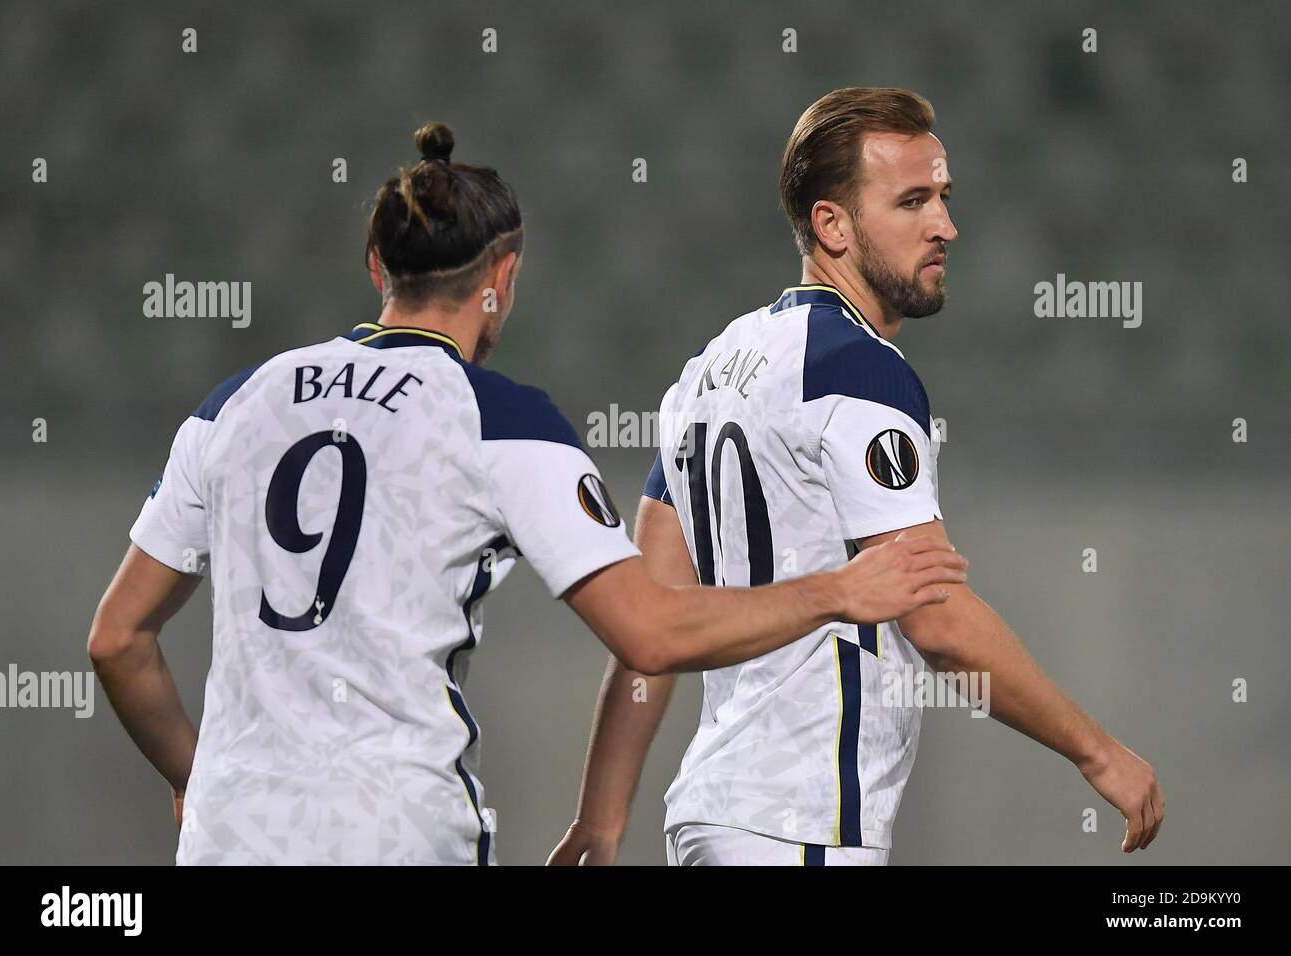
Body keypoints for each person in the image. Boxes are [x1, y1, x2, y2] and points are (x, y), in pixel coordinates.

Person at [86, 121, 968, 865]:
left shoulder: (235, 403)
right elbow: (652, 632)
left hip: (228, 839)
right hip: (400, 831)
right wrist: (837, 592)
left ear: (376, 268)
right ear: (501, 279)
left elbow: (119, 641)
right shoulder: (498, 418)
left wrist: (195, 779)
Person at [549, 88, 1163, 867]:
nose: (946, 225)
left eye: (943, 197)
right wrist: (1097, 751)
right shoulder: (859, 368)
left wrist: (600, 823)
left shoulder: (705, 375)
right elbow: (935, 621)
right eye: (912, 201)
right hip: (802, 824)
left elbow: (647, 630)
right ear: (832, 225)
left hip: (712, 818)